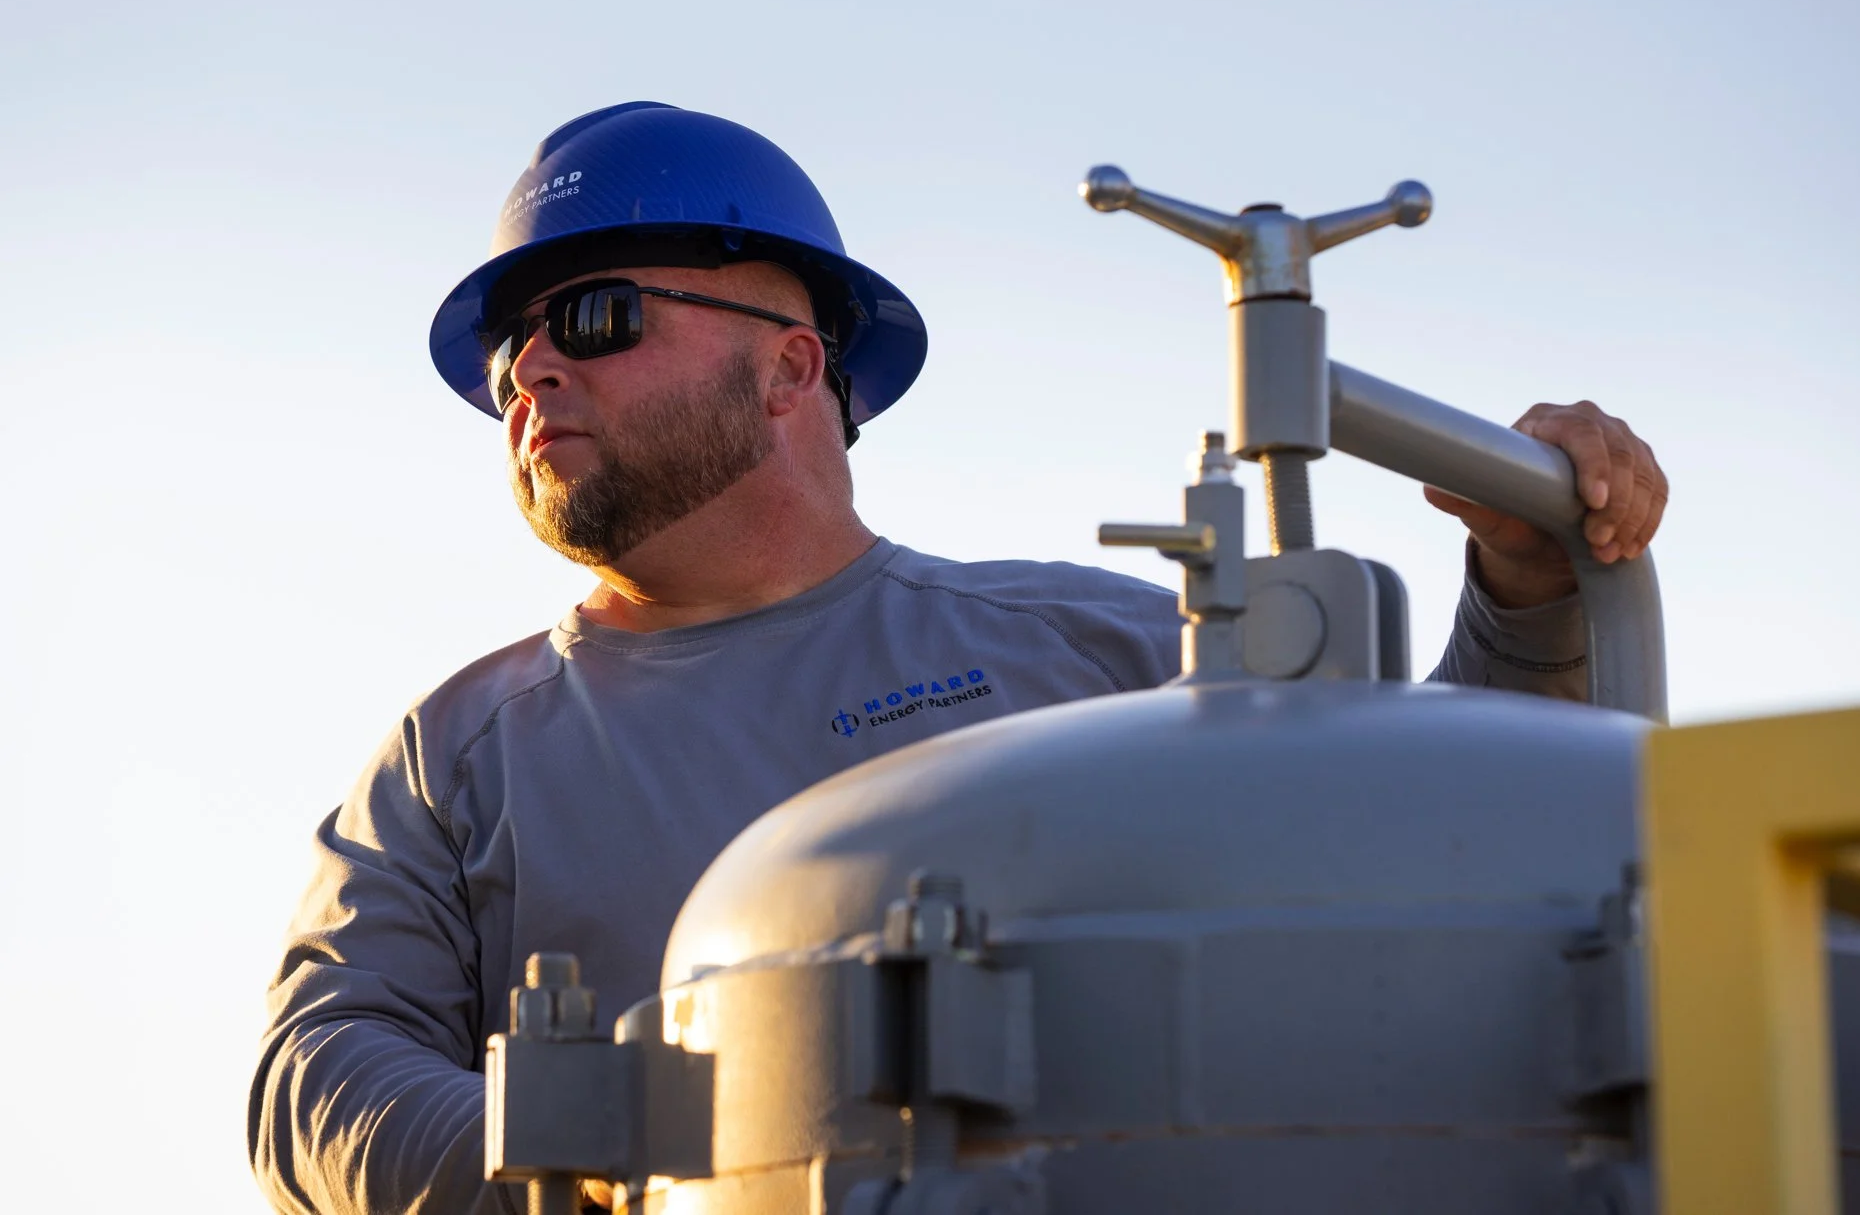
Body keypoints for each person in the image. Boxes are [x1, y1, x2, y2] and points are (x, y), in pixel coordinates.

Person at [248, 102, 1669, 1215]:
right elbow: (312, 1073)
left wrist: (1534, 588)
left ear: (792, 367)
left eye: (595, 317)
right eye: (510, 361)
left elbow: (1440, 887)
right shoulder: (456, 758)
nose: (535, 375)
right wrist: (602, 1148)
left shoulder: (1099, 651)